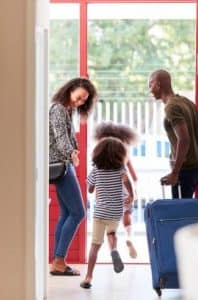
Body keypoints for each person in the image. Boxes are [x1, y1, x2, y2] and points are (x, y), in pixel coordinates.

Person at [49, 77, 97, 276]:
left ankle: (58, 261)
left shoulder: (64, 109)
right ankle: (59, 260)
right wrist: (72, 154)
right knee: (78, 212)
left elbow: (68, 137)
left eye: (84, 101)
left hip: (62, 164)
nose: (80, 102)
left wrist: (73, 150)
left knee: (66, 213)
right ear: (70, 89)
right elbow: (60, 138)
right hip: (62, 165)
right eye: (79, 97)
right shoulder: (59, 109)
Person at [80, 137, 134, 289]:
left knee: (95, 245)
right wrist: (131, 195)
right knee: (111, 234)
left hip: (100, 212)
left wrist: (92, 184)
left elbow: (90, 189)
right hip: (115, 210)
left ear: (99, 153)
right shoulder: (120, 170)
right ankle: (114, 250)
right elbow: (127, 181)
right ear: (119, 154)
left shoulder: (96, 170)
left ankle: (88, 277)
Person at [148, 69, 198, 198]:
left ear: (158, 84)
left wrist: (175, 173)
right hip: (197, 167)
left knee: (180, 215)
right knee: (186, 212)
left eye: (150, 84)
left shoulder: (171, 107)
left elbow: (184, 139)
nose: (149, 89)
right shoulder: (186, 102)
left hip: (185, 170)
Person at [93, 121, 138, 258]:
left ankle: (113, 249)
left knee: (110, 224)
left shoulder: (100, 155)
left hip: (106, 191)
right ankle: (129, 236)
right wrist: (134, 189)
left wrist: (97, 193)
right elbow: (133, 175)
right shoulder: (122, 152)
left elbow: (96, 178)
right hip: (123, 187)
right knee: (127, 214)